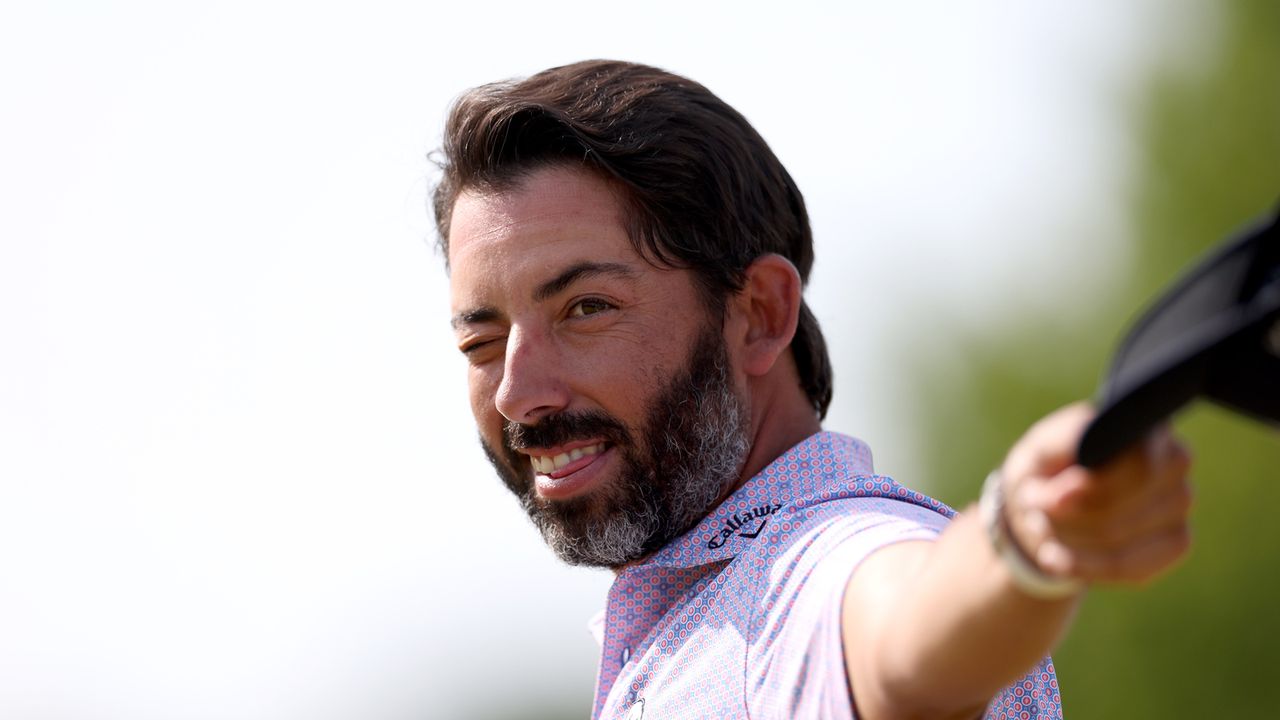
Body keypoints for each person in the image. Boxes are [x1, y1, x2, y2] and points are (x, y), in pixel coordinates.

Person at [433, 60, 1193, 720]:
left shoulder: (816, 569)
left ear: (761, 314)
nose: (517, 393)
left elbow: (903, 642)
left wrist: (1020, 547)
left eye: (586, 308)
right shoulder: (694, 619)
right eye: (483, 342)